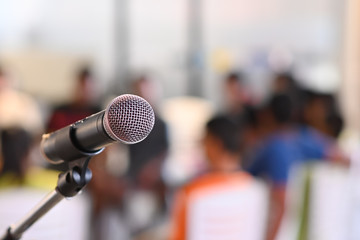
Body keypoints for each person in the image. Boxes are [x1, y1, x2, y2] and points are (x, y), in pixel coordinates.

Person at [170, 116, 267, 240]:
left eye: (204, 141)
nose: (202, 147)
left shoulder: (191, 192)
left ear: (216, 144)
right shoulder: (256, 189)